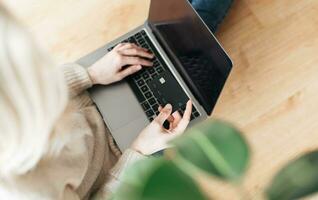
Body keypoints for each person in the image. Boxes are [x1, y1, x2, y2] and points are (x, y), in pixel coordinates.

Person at [0, 5, 193, 200]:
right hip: (120, 159)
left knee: (165, 35)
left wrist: (89, 75)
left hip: (94, 90)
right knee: (188, 35)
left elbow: (34, 88)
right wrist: (140, 150)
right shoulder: (26, 193)